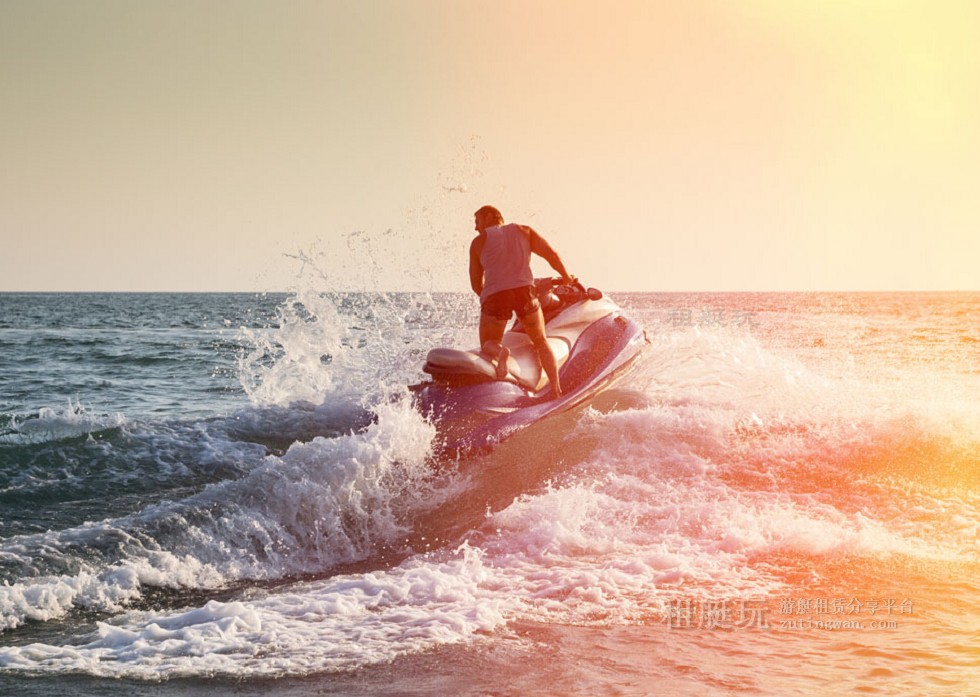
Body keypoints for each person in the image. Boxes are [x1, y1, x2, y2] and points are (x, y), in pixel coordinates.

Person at [468, 205, 574, 398]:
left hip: (495, 295)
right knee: (541, 341)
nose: (476, 227)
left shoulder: (478, 242)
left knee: (488, 343)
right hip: (524, 292)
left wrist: (490, 301)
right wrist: (565, 276)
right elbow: (552, 255)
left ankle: (501, 353)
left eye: (477, 221)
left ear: (489, 216)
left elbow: (476, 284)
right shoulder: (524, 231)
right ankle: (556, 391)